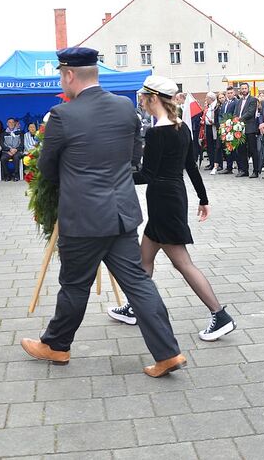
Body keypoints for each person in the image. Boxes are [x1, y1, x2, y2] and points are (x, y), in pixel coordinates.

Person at [20, 47, 185, 378]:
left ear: (69, 75)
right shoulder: (125, 107)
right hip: (121, 212)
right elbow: (134, 158)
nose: (61, 81)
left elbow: (47, 170)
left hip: (83, 219)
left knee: (74, 285)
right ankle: (168, 353)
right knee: (138, 282)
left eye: (60, 75)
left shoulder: (63, 116)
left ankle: (56, 345)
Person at [108, 76, 236, 341]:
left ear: (153, 98)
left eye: (143, 97)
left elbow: (148, 175)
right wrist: (203, 198)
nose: (141, 101)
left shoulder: (157, 132)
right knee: (144, 260)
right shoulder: (181, 127)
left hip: (164, 201)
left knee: (182, 263)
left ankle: (219, 314)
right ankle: (135, 307)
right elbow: (191, 166)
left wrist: (113, 176)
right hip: (172, 198)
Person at [234, 83, 259, 178]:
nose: (244, 90)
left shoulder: (253, 100)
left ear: (248, 89)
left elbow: (250, 113)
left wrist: (239, 119)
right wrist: (235, 120)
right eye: (242, 88)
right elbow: (236, 112)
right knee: (241, 150)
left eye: (245, 88)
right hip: (239, 129)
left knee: (253, 150)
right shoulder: (239, 101)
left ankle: (256, 171)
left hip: (250, 128)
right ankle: (244, 170)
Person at [217, 86, 238, 174]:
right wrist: (221, 123)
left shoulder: (236, 102)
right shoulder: (225, 103)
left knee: (235, 149)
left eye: (231, 93)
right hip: (224, 129)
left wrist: (230, 123)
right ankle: (229, 167)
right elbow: (221, 114)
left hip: (233, 128)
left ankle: (240, 166)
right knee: (227, 148)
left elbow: (235, 114)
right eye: (228, 93)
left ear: (234, 93)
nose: (229, 94)